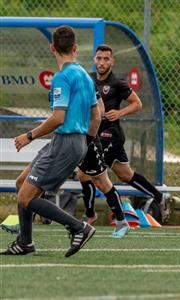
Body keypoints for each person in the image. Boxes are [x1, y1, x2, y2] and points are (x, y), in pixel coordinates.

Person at [1, 26, 98, 257]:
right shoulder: (85, 75)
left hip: (64, 142)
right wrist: (85, 144)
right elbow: (97, 115)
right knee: (21, 183)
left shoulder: (62, 78)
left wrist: (29, 135)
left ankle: (79, 227)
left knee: (26, 197)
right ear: (75, 48)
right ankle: (25, 243)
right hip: (70, 141)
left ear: (52, 47)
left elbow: (58, 117)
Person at [81, 44, 164, 222]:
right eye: (99, 58)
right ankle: (159, 197)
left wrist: (119, 113)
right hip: (94, 135)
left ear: (112, 61)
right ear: (94, 60)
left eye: (106, 59)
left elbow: (137, 103)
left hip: (110, 135)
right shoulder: (88, 79)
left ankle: (90, 215)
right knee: (125, 174)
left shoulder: (117, 83)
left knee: (84, 173)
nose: (102, 62)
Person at [77, 95, 130, 238]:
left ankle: (121, 221)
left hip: (86, 139)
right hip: (69, 138)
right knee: (81, 175)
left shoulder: (84, 80)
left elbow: (99, 112)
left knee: (102, 182)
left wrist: (88, 137)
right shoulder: (61, 80)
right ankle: (90, 214)